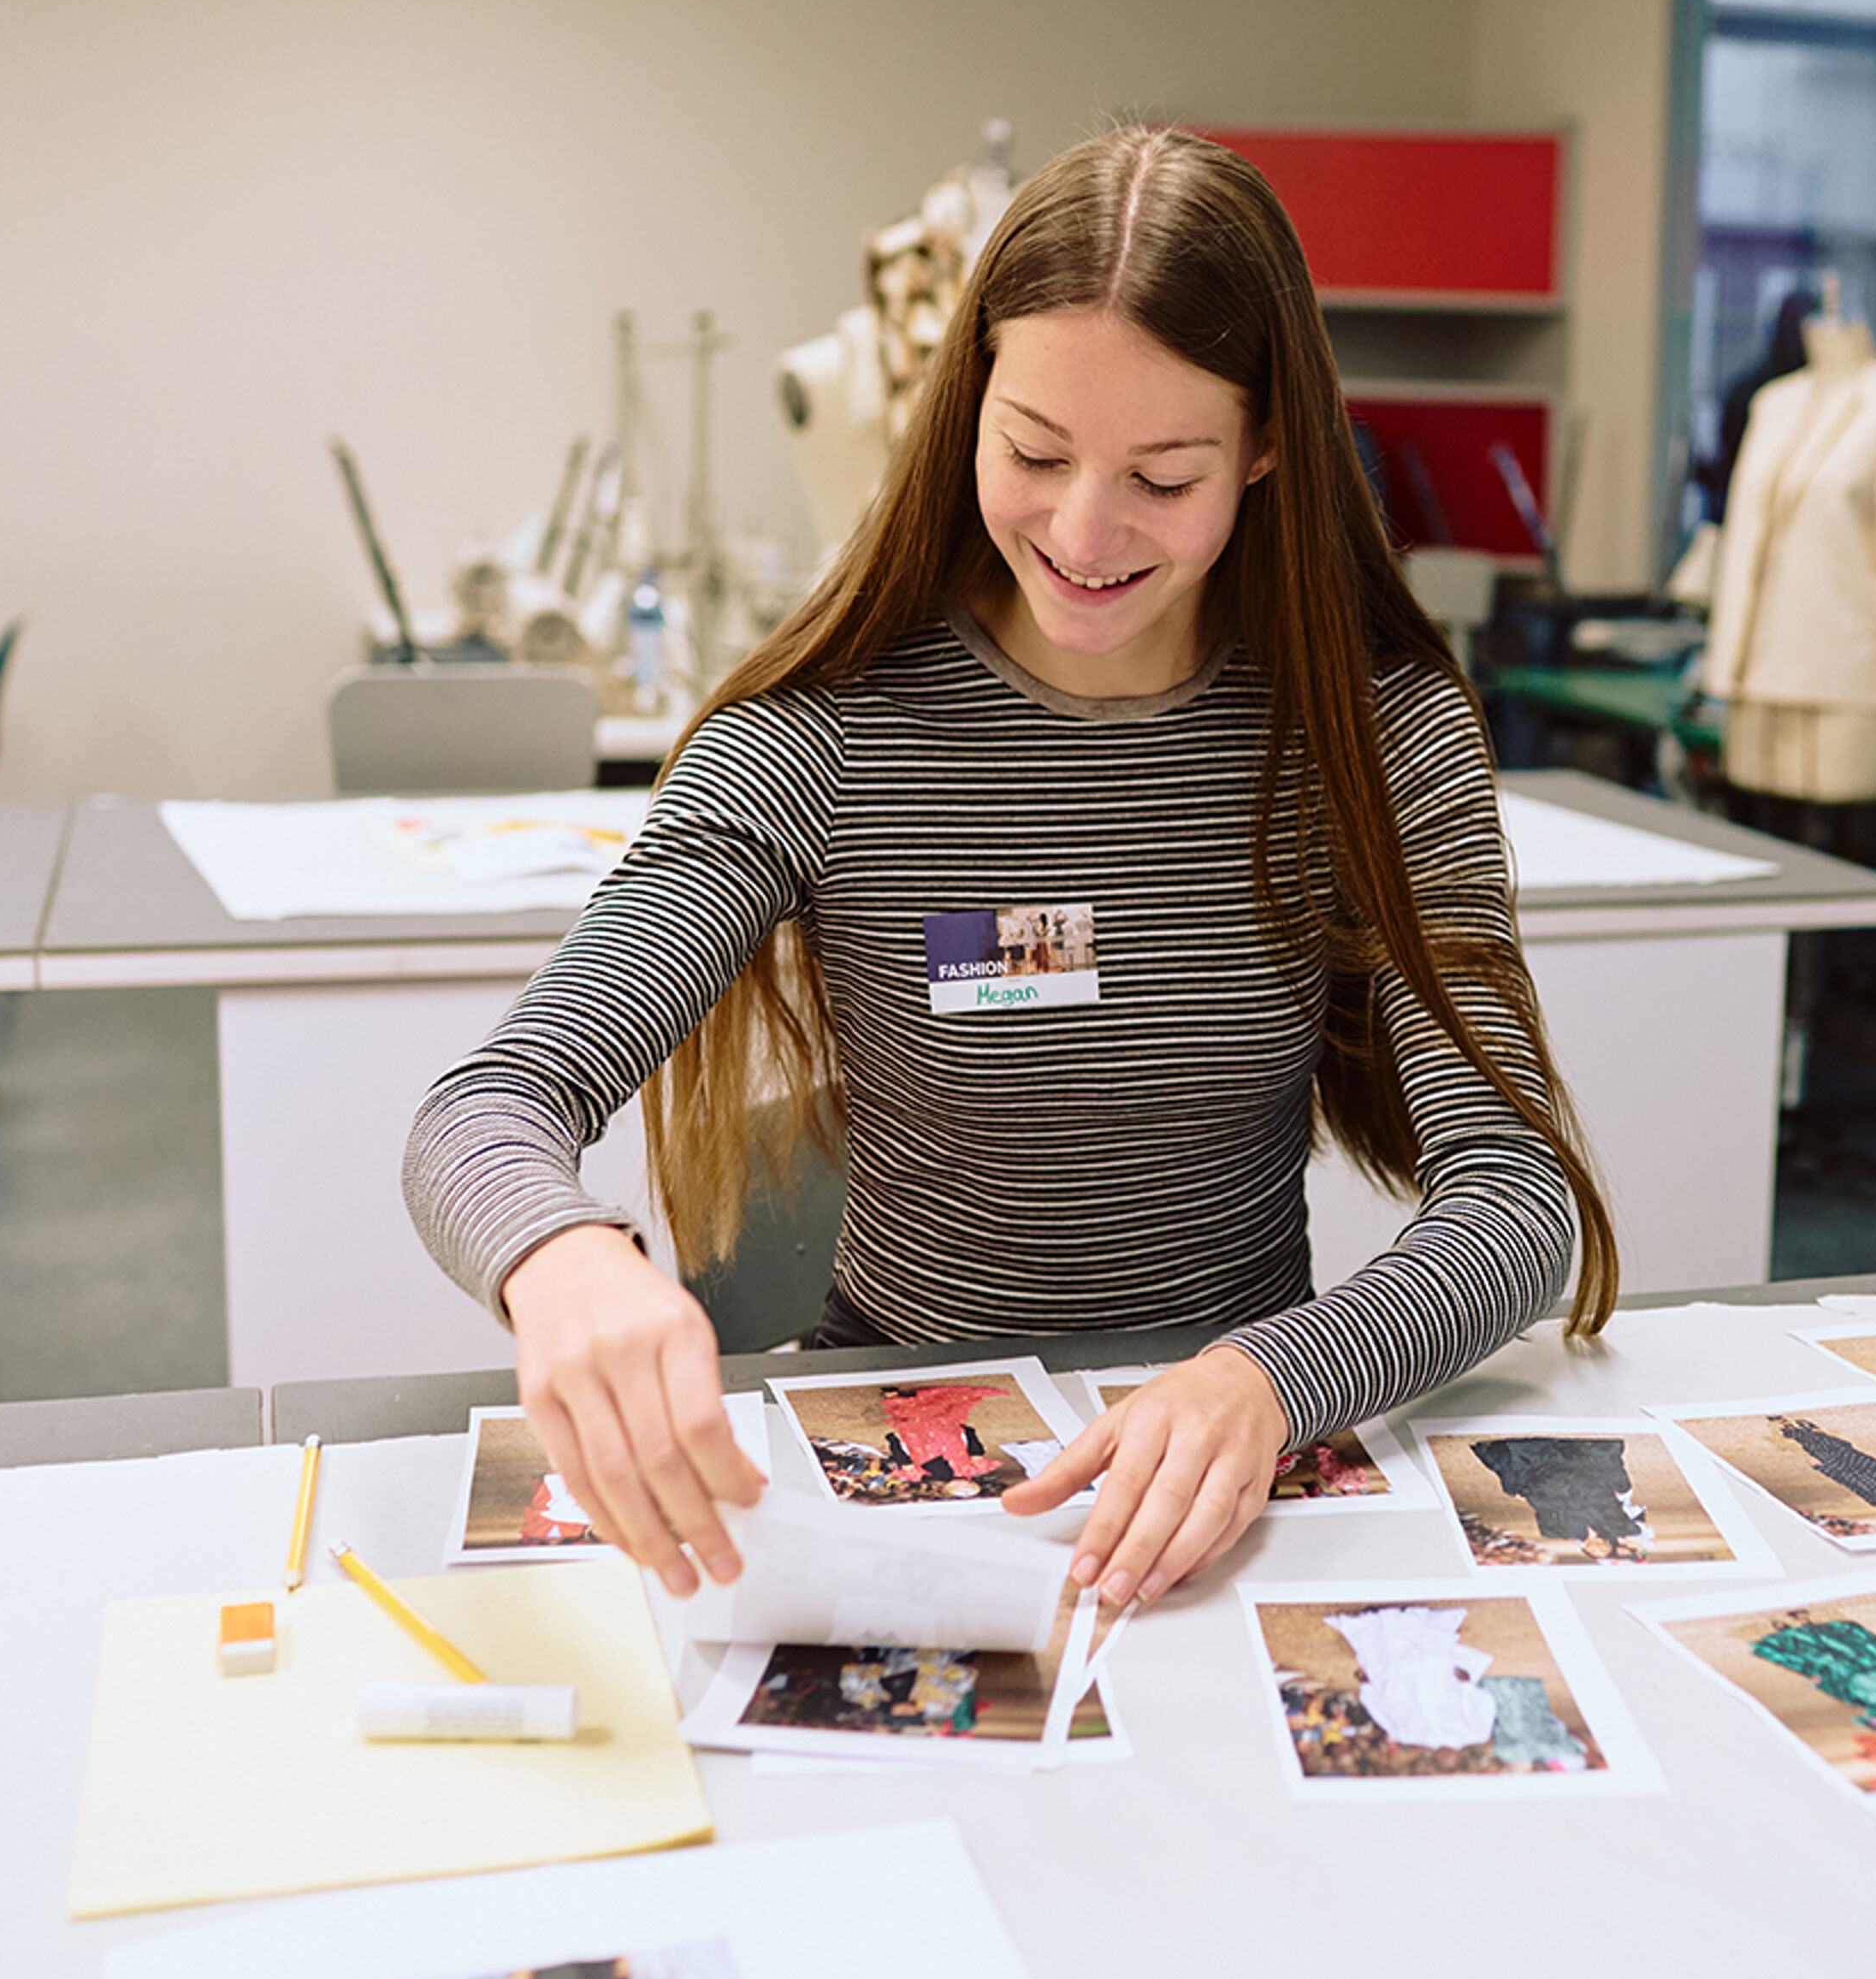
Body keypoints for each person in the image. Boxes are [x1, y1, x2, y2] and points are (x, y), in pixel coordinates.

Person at [405, 124, 1618, 1615]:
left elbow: (1514, 1205)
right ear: (967, 409)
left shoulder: (1373, 734)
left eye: (1163, 479)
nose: (1083, 532)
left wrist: (1270, 1381)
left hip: (1231, 1479)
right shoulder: (834, 730)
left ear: (1264, 449)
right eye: (1034, 454)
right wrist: (560, 1257)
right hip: (901, 1476)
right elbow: (487, 1108)